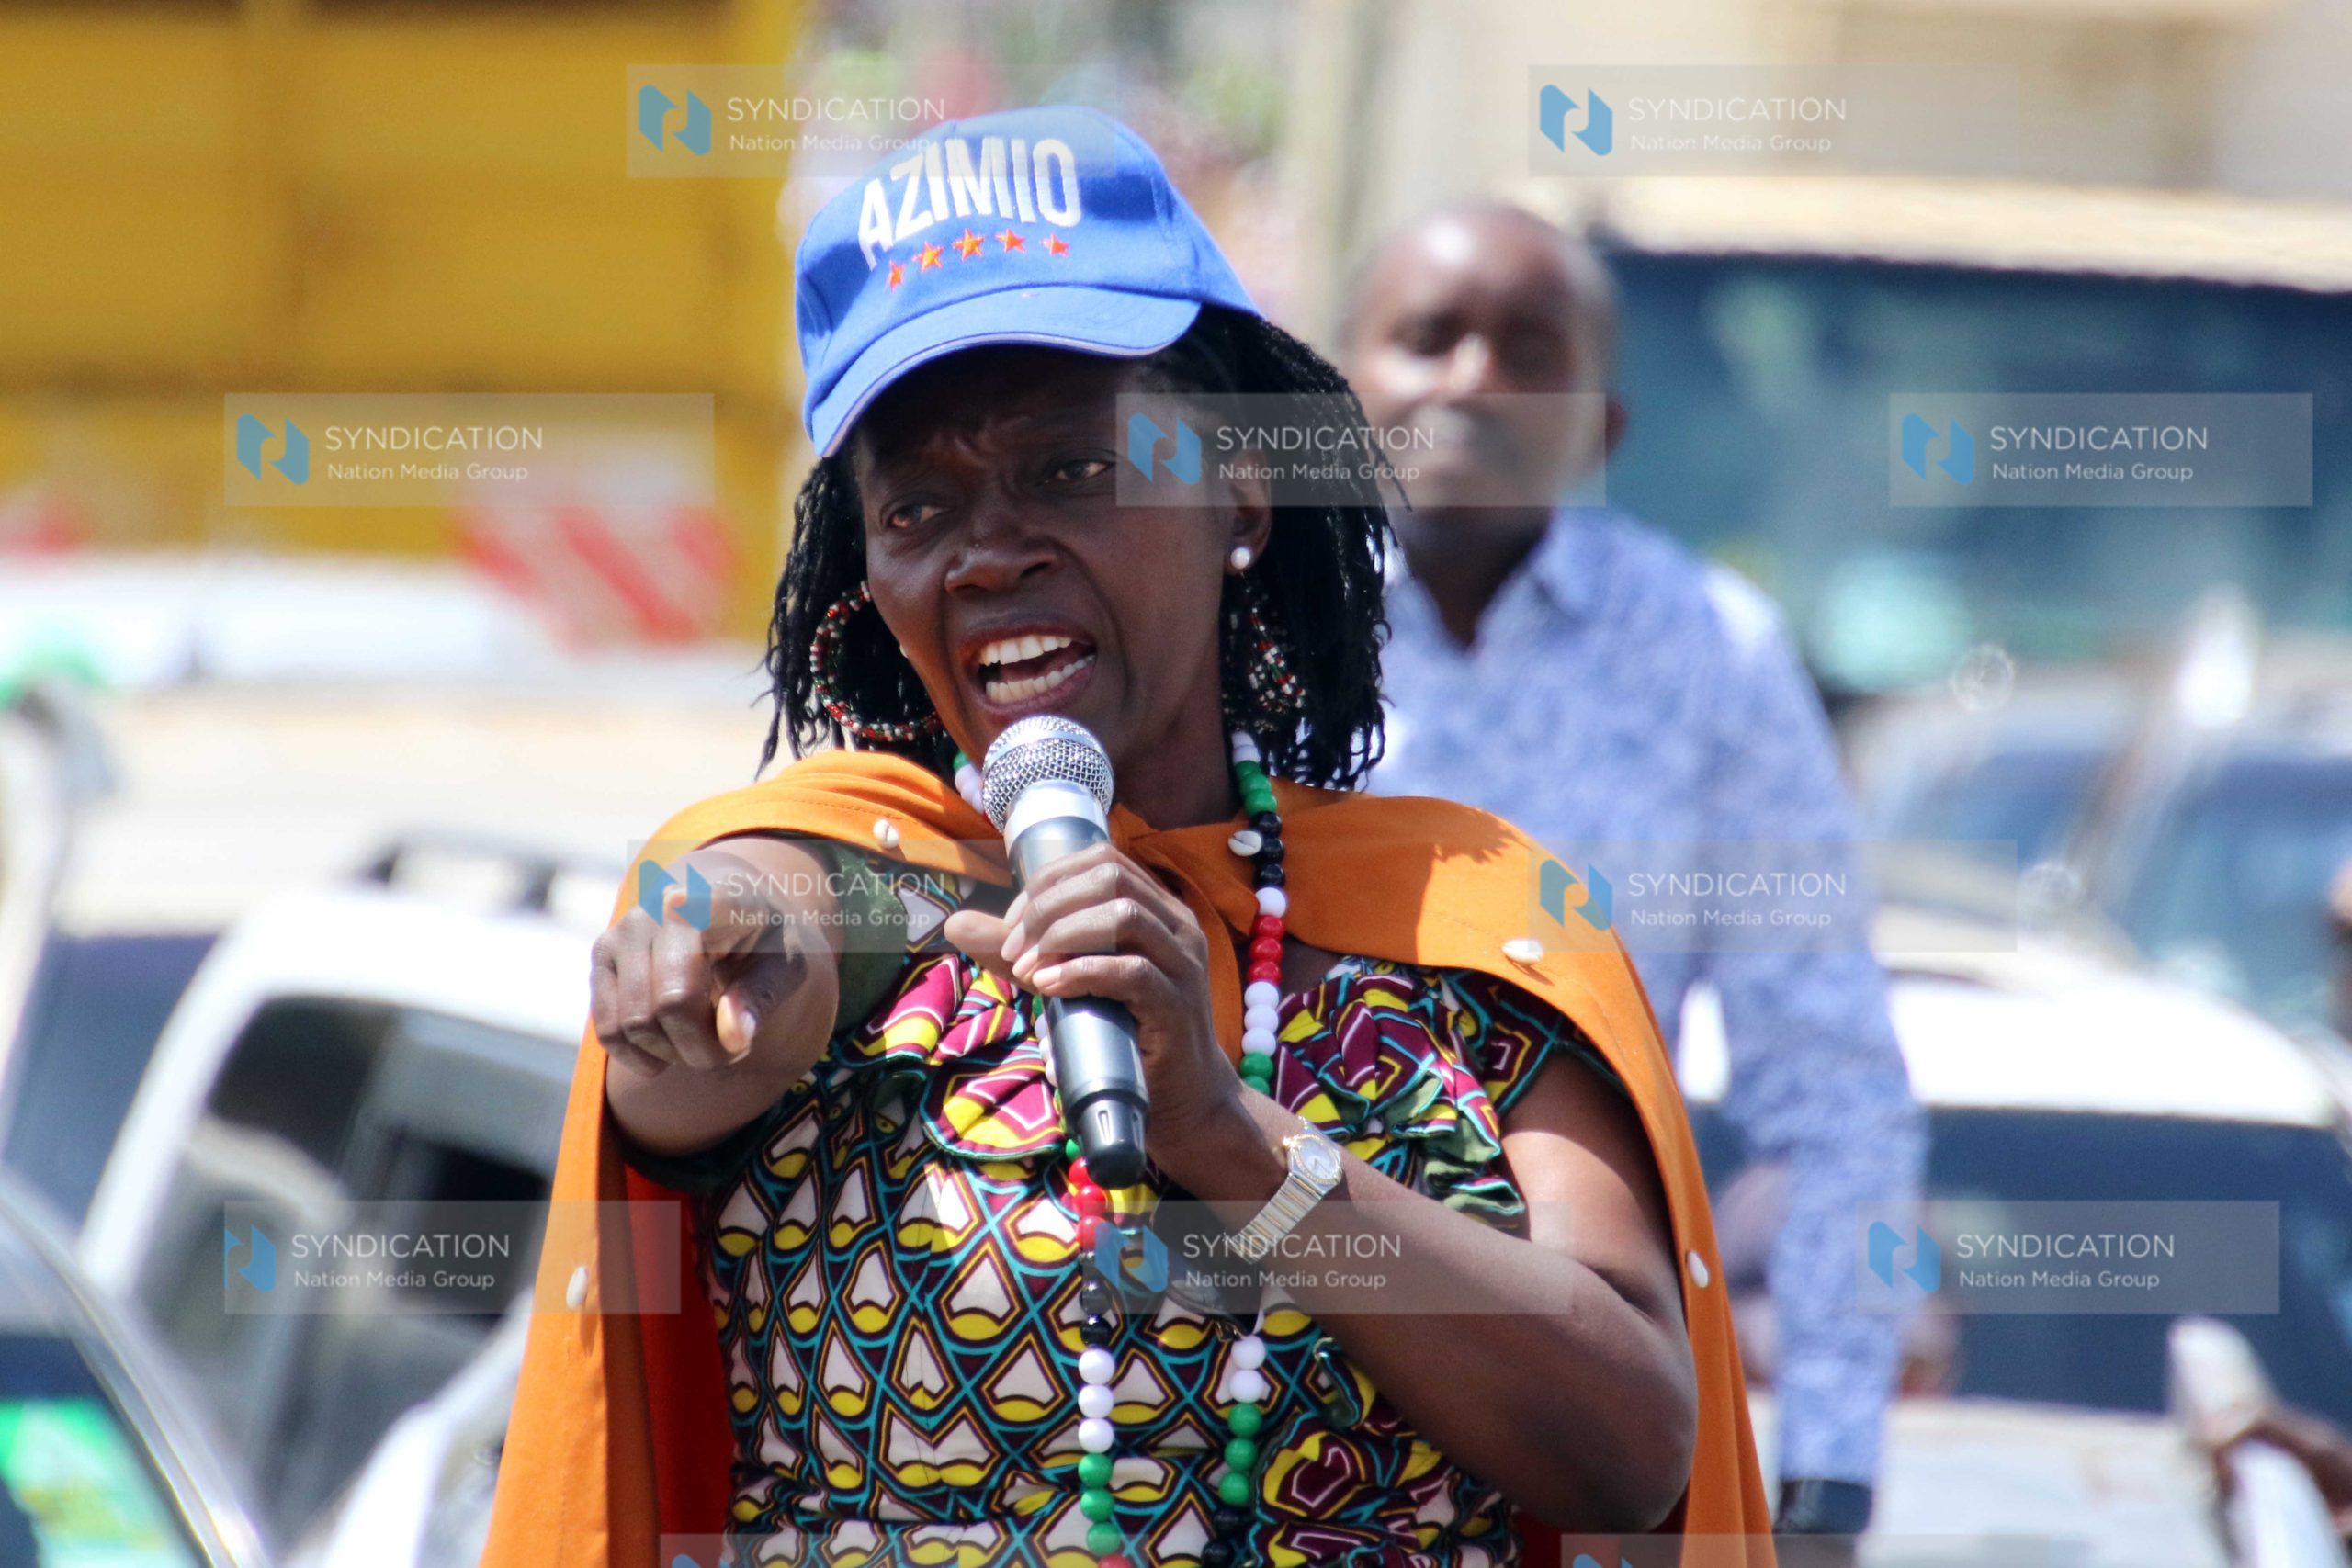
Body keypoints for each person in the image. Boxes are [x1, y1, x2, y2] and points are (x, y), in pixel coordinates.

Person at [481, 109, 1772, 1568]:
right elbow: (763, 938)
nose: (991, 551)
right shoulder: (853, 899)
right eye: (918, 505)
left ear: (1242, 490)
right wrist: (705, 959)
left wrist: (1233, 1140)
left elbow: (1626, 1448)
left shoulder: (1464, 920)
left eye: (1072, 472)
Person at [1343, 201, 1926, 1539]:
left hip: (1589, 1398)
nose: (1473, 380)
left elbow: (1833, 1083)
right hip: (1268, 1345)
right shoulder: (1231, 624)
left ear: (1603, 425)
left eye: (1528, 350)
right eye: (1429, 337)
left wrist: (1828, 1473)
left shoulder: (1711, 653)